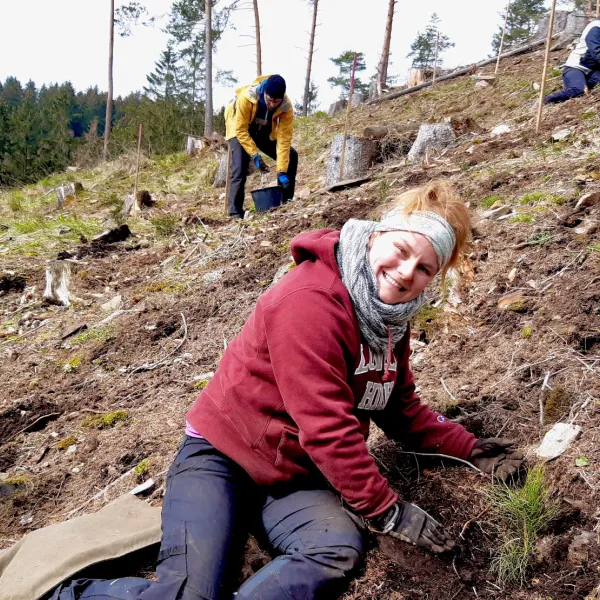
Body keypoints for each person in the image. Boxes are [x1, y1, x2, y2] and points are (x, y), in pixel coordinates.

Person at [50, 181, 523, 600]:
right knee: (189, 592)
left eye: (424, 269)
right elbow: (327, 426)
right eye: (401, 250)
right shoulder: (310, 302)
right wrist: (388, 511)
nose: (405, 273)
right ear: (377, 234)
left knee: (336, 548)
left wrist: (470, 448)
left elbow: (399, 407)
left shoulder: (387, 321)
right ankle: (66, 593)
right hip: (223, 459)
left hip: (294, 476)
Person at [224, 74, 297, 219]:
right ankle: (235, 212)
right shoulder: (247, 97)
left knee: (292, 155)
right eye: (269, 100)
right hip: (239, 128)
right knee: (239, 166)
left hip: (262, 129)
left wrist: (281, 171)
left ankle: (284, 201)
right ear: (264, 93)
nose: (272, 105)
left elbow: (284, 140)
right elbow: (241, 130)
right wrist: (255, 156)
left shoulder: (286, 107)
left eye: (276, 102)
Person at [544, 18, 600, 104]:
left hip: (593, 69)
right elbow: (596, 52)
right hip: (576, 67)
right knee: (578, 90)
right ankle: (547, 100)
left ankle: (583, 83)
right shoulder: (596, 27)